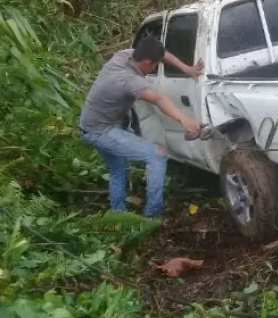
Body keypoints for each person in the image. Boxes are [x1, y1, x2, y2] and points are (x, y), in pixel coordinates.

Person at [79, 36, 204, 217]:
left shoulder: (125, 55)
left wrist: (187, 69)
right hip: (100, 131)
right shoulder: (129, 80)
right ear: (146, 62)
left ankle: (119, 215)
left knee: (118, 168)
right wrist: (186, 121)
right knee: (157, 155)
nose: (155, 69)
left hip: (90, 123)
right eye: (154, 66)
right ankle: (152, 215)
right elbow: (158, 99)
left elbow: (162, 54)